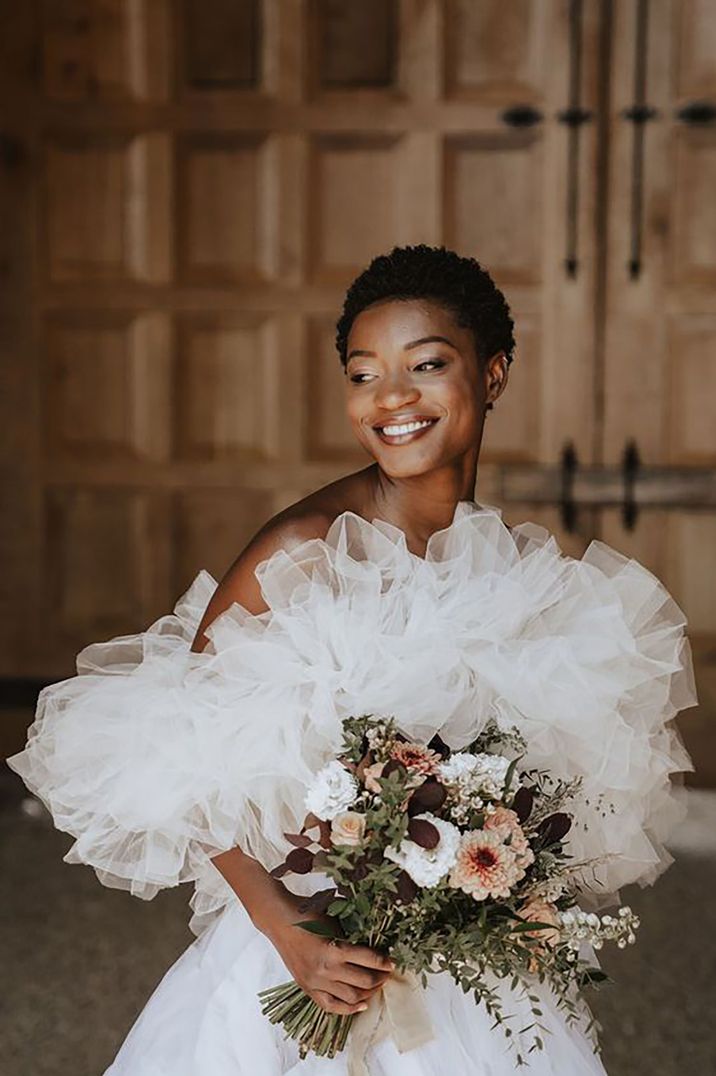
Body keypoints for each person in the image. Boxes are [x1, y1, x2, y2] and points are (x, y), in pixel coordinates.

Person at [7, 246, 697, 1075]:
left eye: (427, 365)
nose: (392, 398)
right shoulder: (302, 553)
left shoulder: (509, 572)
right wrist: (283, 929)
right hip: (316, 950)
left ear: (494, 374)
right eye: (364, 374)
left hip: (462, 958)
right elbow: (172, 753)